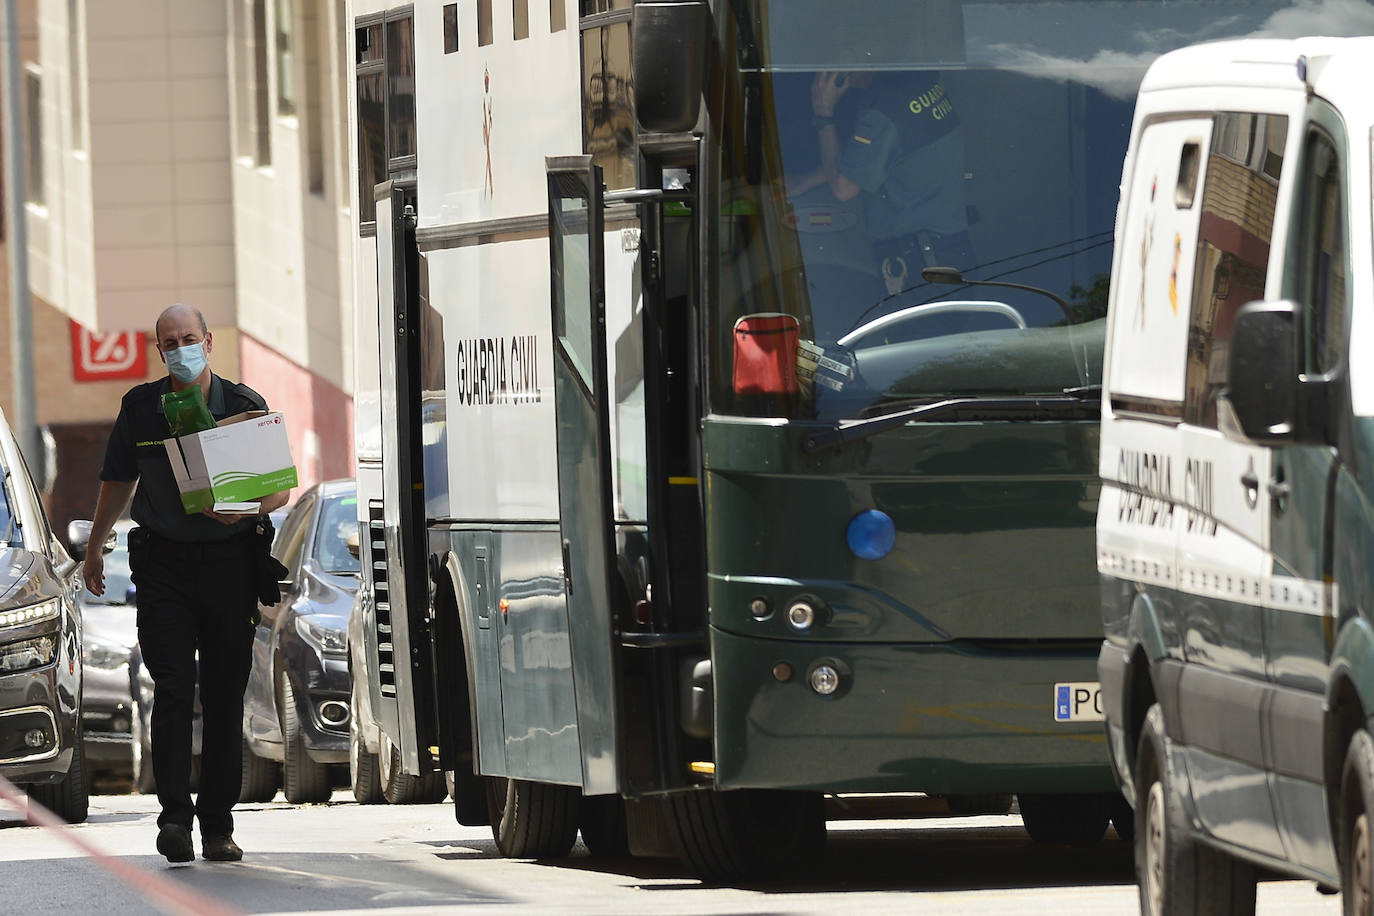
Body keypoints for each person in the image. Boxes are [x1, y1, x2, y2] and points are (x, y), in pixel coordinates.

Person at [81, 303, 291, 864]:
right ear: (159, 349)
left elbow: (278, 491)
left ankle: (218, 825)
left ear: (209, 341)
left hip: (229, 566)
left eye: (188, 338)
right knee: (172, 689)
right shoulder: (141, 408)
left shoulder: (243, 407)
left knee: (224, 696)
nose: (180, 348)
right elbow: (116, 480)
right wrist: (96, 546)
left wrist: (243, 512)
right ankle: (174, 817)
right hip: (164, 569)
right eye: (169, 341)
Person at [792, 67, 974, 300]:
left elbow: (843, 187)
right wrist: (807, 181)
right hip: (952, 253)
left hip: (920, 268)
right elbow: (877, 158)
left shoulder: (884, 109)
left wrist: (823, 113)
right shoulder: (922, 79)